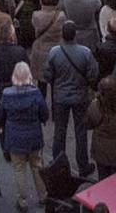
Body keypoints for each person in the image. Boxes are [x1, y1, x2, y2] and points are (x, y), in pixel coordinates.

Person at [45, 21, 99, 178]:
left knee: (59, 131)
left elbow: (47, 75)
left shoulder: (54, 52)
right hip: (80, 97)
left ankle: (58, 163)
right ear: (75, 35)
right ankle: (83, 165)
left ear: (62, 34)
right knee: (80, 132)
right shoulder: (85, 52)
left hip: (60, 97)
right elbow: (93, 74)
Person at [0, 62, 49, 209]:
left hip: (14, 138)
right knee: (37, 166)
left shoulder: (7, 94)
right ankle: (43, 196)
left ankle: (23, 201)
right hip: (33, 137)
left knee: (19, 169)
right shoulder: (36, 93)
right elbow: (44, 114)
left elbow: (0, 116)